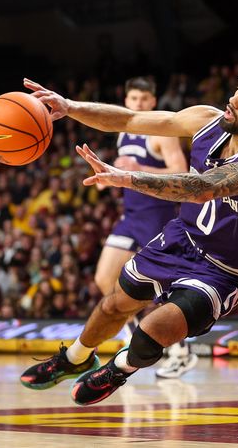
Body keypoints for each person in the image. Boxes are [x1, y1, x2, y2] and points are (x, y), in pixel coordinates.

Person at [19, 68, 238, 405]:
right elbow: (130, 119)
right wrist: (71, 107)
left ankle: (118, 369)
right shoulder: (206, 119)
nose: (233, 100)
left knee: (154, 327)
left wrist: (129, 178)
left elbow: (203, 188)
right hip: (182, 238)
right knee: (113, 304)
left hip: (224, 270)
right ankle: (75, 357)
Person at [94, 77, 193, 379]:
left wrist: (136, 170)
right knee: (104, 280)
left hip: (157, 215)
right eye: (133, 99)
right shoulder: (124, 132)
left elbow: (181, 173)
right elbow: (127, 169)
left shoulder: (162, 132)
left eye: (144, 99)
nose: (138, 104)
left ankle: (182, 351)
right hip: (131, 214)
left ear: (153, 102)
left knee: (164, 291)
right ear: (126, 100)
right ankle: (134, 340)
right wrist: (110, 176)